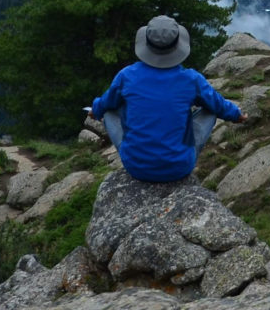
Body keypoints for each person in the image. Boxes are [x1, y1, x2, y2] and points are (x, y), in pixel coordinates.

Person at [87, 15, 241, 184]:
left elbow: (105, 103)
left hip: (136, 167)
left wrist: (96, 110)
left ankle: (138, 151)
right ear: (177, 46)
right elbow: (219, 105)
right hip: (179, 168)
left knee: (109, 110)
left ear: (146, 44)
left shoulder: (127, 75)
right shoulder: (191, 79)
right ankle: (180, 153)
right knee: (211, 110)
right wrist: (237, 115)